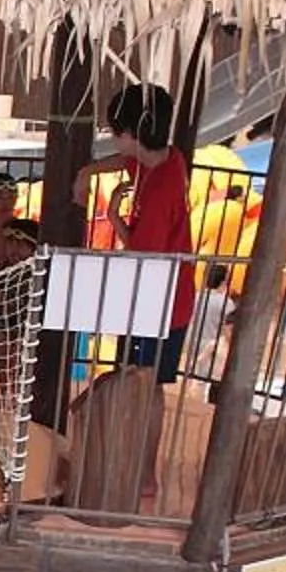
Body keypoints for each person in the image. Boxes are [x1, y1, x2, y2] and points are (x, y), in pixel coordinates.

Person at [73, 85, 197, 386]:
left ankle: (141, 435)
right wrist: (87, 172)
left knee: (143, 384)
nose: (114, 138)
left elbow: (140, 255)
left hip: (158, 304)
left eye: (116, 132)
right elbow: (125, 160)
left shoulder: (159, 193)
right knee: (143, 381)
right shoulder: (168, 158)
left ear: (131, 134)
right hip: (165, 297)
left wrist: (114, 217)